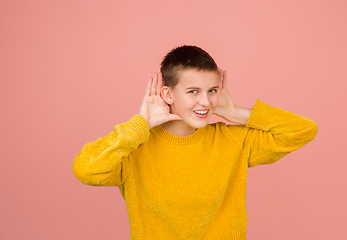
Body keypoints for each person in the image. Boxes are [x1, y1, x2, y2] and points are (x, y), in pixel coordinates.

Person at [73, 45, 318, 240]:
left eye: (212, 90)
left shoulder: (232, 140)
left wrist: (234, 112)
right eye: (193, 91)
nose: (205, 102)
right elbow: (86, 169)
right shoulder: (135, 147)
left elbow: (303, 130)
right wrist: (141, 123)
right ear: (168, 95)